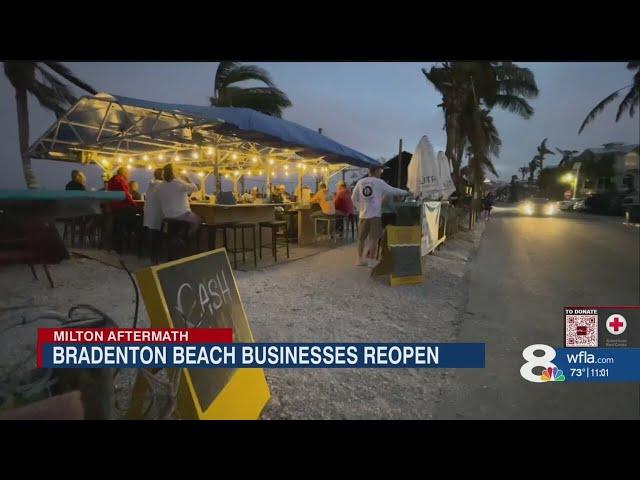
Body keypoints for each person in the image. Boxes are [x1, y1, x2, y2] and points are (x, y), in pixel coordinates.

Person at [351, 165, 409, 266]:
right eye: (380, 171)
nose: (381, 173)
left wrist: (359, 208)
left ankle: (359, 260)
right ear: (377, 171)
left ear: (369, 171)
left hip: (363, 215)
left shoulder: (360, 182)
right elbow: (392, 190)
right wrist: (407, 192)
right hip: (375, 215)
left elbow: (353, 197)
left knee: (361, 238)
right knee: (373, 238)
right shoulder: (379, 182)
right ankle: (371, 261)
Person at [155, 163, 201, 236]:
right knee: (198, 220)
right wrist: (187, 179)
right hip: (182, 215)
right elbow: (195, 188)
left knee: (178, 228)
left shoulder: (160, 186)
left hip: (167, 216)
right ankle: (186, 238)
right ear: (173, 172)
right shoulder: (178, 183)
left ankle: (178, 237)